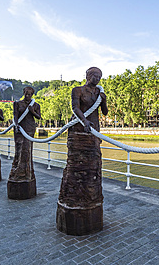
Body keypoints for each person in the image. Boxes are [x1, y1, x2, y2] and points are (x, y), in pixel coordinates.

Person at [57, 67, 108, 235]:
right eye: (95, 75)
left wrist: (104, 101)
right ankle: (73, 199)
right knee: (76, 166)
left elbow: (105, 112)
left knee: (93, 165)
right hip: (80, 131)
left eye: (100, 76)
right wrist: (85, 121)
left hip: (94, 132)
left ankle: (92, 198)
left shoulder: (99, 94)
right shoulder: (77, 90)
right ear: (87, 76)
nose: (97, 79)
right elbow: (75, 108)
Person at [8, 87, 41, 199]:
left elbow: (39, 117)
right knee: (19, 149)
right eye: (27, 93)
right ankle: (18, 172)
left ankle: (26, 173)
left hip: (30, 128)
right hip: (19, 129)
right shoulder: (17, 103)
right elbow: (15, 116)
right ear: (24, 93)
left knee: (27, 150)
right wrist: (16, 126)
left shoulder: (35, 105)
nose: (28, 96)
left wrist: (32, 111)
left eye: (30, 94)